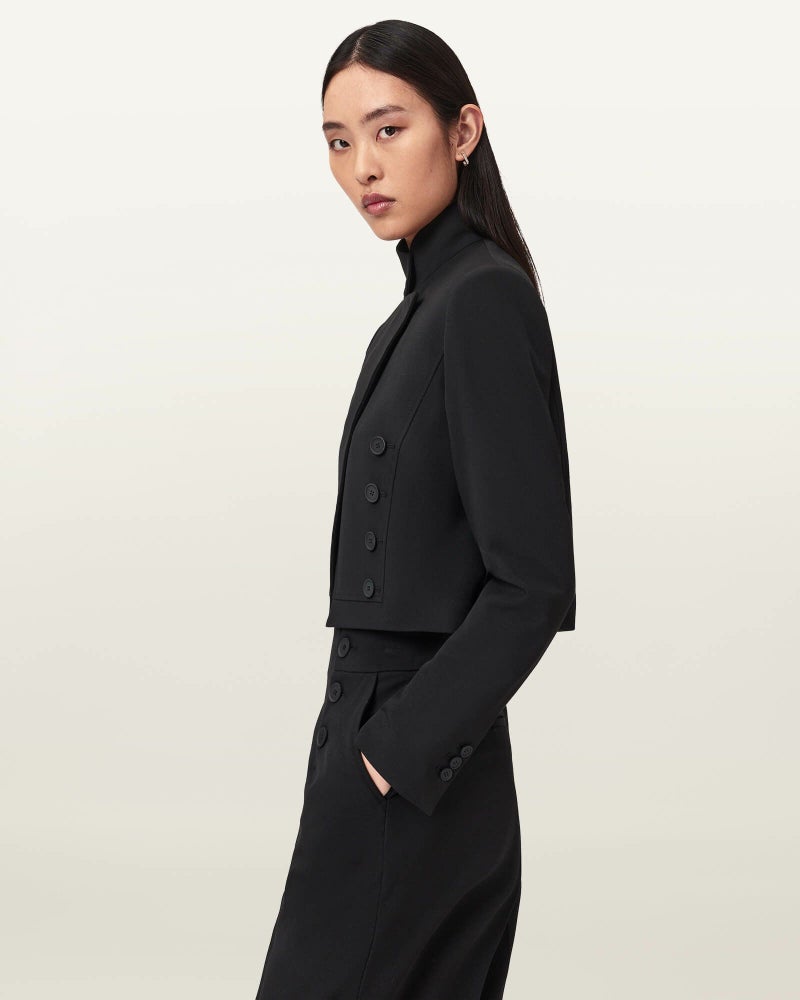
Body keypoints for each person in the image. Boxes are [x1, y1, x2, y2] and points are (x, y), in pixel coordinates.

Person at [254, 19, 576, 1000]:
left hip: (416, 765)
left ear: (462, 130)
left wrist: (388, 756)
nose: (362, 166)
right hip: (377, 745)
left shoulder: (480, 301)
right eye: (338, 140)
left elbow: (531, 585)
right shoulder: (414, 316)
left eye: (388, 129)